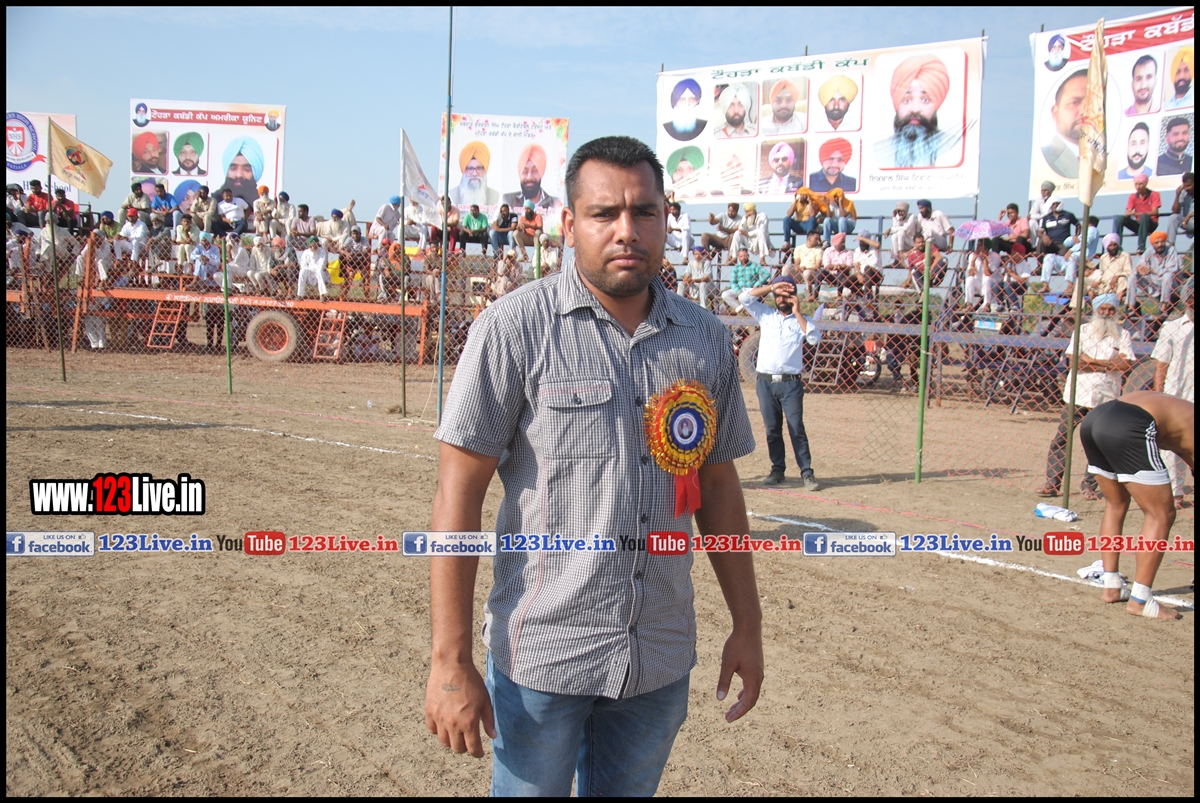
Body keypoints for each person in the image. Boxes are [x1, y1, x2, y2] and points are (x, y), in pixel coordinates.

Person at [425, 135, 763, 796]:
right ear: (569, 223)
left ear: (665, 219)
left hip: (658, 657)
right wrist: (449, 659)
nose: (626, 230)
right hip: (543, 658)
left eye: (644, 212)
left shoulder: (704, 339)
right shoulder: (513, 329)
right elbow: (456, 494)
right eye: (604, 213)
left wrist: (747, 624)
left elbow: (719, 486)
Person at [1086, 391, 1192, 620]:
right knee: (1160, 515)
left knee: (1115, 504)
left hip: (1096, 418)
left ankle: (1112, 586)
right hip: (1130, 422)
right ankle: (1141, 601)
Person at [1037, 294, 1133, 499]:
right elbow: (1074, 361)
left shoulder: (1122, 334)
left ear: (1116, 312)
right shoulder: (1081, 331)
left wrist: (1091, 361)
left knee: (1099, 442)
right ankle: (1052, 483)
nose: (1106, 313)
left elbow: (1125, 364)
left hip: (1106, 397)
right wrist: (1109, 364)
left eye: (1111, 309)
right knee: (1062, 438)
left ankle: (1090, 485)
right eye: (1102, 309)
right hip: (1078, 394)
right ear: (1095, 310)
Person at [739, 275, 821, 489]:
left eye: (787, 295)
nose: (782, 299)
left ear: (794, 296)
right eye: (778, 295)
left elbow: (813, 338)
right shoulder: (766, 315)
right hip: (766, 382)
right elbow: (744, 298)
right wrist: (771, 286)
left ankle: (807, 472)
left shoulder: (802, 320)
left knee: (796, 428)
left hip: (790, 384)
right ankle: (778, 470)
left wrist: (797, 312)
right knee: (772, 429)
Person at [1151, 279, 1194, 508]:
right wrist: (1159, 396)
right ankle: (1175, 493)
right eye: (1192, 297)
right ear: (1186, 300)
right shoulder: (1173, 327)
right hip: (1176, 395)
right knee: (1173, 444)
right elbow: (1161, 364)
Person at [875, 54, 961, 168]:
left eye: (925, 100)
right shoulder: (877, 151)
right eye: (906, 100)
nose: (915, 109)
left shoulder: (956, 147)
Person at [1041, 69, 1087, 178]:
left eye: (1093, 103)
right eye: (1074, 102)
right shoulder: (1045, 158)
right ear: (1055, 112)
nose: (1085, 110)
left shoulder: (1112, 157)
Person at [500, 144, 561, 215]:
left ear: (541, 172)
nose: (529, 177)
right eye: (525, 170)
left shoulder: (556, 204)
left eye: (534, 170)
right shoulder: (506, 200)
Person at [1131, 231, 1182, 314]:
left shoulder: (1171, 250)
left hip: (1172, 284)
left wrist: (1152, 271)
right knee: (1132, 276)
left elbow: (1173, 269)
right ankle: (1130, 306)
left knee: (1167, 275)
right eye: (1156, 243)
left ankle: (1164, 305)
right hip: (1155, 283)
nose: (1160, 244)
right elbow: (1141, 264)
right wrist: (1140, 269)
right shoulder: (1149, 251)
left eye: (1162, 242)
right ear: (1152, 244)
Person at [217, 137, 265, 209]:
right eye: (233, 168)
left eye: (246, 169)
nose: (239, 175)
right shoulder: (215, 199)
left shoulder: (260, 202)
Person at [1118, 175, 1161, 252]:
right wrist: (1128, 213)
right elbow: (1128, 210)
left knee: (1144, 216)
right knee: (1119, 218)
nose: (1138, 186)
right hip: (1139, 224)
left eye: (1140, 184)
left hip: (1151, 223)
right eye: (1136, 184)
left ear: (1145, 184)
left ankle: (1141, 246)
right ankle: (1117, 245)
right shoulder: (1133, 196)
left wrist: (1138, 214)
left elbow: (1155, 211)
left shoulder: (1154, 194)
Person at [721, 247, 770, 313]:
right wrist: (739, 291)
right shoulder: (736, 268)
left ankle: (739, 310)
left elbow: (766, 274)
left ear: (748, 255)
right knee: (725, 294)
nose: (743, 258)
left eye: (744, 255)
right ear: (738, 257)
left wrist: (757, 284)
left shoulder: (754, 265)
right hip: (740, 289)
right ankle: (743, 310)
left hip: (751, 289)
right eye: (741, 256)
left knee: (751, 297)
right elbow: (733, 282)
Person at [453, 141, 499, 207]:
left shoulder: (496, 196)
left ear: (485, 170)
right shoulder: (451, 196)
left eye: (479, 168)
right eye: (470, 169)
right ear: (464, 170)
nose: (474, 173)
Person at [964, 238, 1000, 310]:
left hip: (992, 283)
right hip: (979, 282)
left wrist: (985, 259)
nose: (977, 247)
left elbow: (988, 273)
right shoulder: (972, 255)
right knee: (969, 279)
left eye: (980, 245)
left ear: (985, 248)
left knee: (986, 279)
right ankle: (969, 304)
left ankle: (986, 305)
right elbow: (970, 274)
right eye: (977, 245)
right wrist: (973, 261)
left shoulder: (995, 256)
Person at [819, 232, 856, 299]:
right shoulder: (828, 250)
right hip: (831, 275)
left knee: (841, 271)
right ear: (836, 243)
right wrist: (836, 266)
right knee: (821, 272)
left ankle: (839, 295)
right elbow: (826, 265)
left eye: (844, 242)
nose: (843, 244)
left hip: (843, 277)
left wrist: (840, 266)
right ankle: (814, 295)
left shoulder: (848, 252)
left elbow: (849, 266)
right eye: (841, 242)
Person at [1097, 233, 1133, 301]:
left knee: (1122, 279)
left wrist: (1116, 277)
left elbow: (1129, 272)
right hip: (1105, 283)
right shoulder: (1103, 257)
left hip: (1118, 283)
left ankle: (1117, 302)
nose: (1113, 247)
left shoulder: (1125, 255)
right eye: (1110, 245)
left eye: (1115, 245)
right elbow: (1101, 272)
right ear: (1106, 246)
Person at [791, 230, 825, 300]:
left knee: (807, 273)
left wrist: (806, 268)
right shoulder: (799, 248)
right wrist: (797, 267)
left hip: (812, 273)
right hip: (800, 271)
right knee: (786, 268)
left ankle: (809, 294)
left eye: (818, 239)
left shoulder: (818, 250)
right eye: (816, 239)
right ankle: (788, 291)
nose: (818, 241)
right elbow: (796, 262)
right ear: (809, 239)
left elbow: (817, 266)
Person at [1165, 171, 1194, 247]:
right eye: (1185, 186)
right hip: (1188, 223)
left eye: (1189, 185)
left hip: (1189, 219)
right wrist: (1177, 195)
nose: (1187, 188)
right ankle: (1171, 247)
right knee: (1173, 217)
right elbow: (1175, 211)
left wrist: (1190, 215)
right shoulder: (1183, 192)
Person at [297, 236, 330, 300]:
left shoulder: (322, 251)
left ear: (317, 244)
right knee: (302, 271)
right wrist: (310, 268)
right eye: (311, 246)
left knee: (319, 270)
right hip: (310, 274)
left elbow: (321, 265)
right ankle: (300, 294)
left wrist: (311, 267)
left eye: (314, 245)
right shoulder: (306, 252)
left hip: (320, 273)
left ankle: (322, 295)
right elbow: (303, 265)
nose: (313, 247)